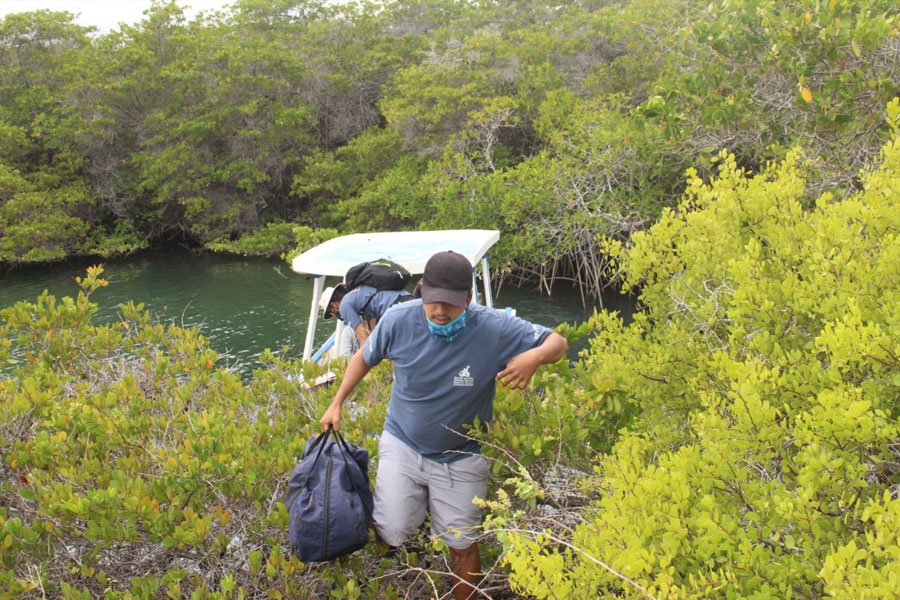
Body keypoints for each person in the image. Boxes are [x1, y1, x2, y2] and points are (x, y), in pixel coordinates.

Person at [319, 250, 568, 600]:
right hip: (403, 442)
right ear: (422, 289)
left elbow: (558, 342)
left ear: (468, 297)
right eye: (432, 301)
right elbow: (364, 357)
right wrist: (336, 402)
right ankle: (415, 516)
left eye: (451, 304)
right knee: (391, 531)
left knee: (462, 544)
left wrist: (535, 356)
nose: (439, 311)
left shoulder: (493, 327)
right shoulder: (398, 319)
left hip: (461, 456)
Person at [319, 281, 412, 350]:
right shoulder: (358, 294)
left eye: (332, 312)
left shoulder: (344, 305)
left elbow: (364, 340)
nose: (337, 315)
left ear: (333, 305)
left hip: (394, 310)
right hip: (409, 300)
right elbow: (372, 332)